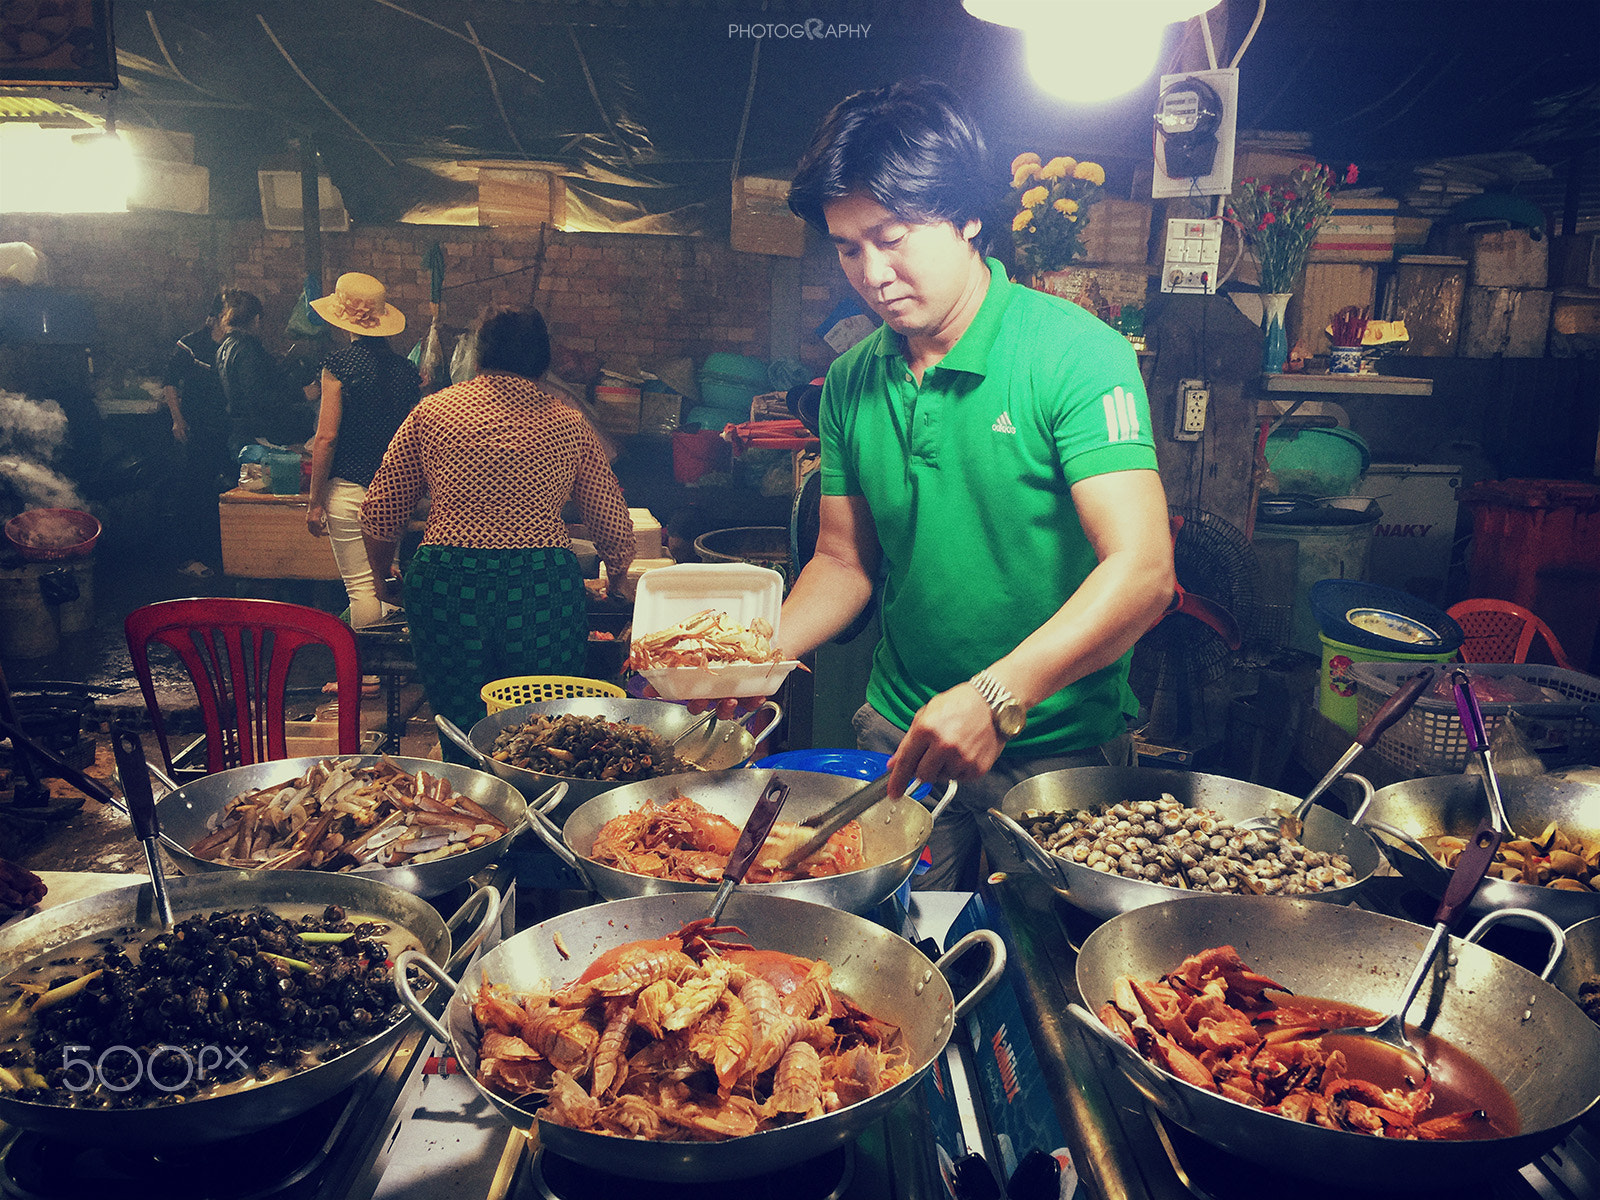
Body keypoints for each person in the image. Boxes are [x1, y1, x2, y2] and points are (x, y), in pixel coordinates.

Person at [772, 79, 1177, 891]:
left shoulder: (1073, 353)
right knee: (879, 969)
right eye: (848, 247)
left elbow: (1144, 574)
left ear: (966, 218)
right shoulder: (852, 378)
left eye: (892, 238)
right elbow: (844, 563)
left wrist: (997, 695)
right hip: (901, 731)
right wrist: (750, 662)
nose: (872, 273)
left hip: (1055, 744)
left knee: (1043, 980)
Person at [359, 306, 635, 749]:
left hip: (446, 583)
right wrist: (617, 580)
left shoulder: (432, 412)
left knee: (459, 719)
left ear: (479, 356)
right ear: (543, 362)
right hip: (541, 586)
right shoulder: (569, 424)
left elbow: (381, 510)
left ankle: (471, 805)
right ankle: (535, 809)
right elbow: (613, 524)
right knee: (543, 730)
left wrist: (381, 576)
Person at [304, 273, 421, 631]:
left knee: (361, 589)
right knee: (385, 585)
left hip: (350, 489)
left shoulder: (338, 365)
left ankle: (366, 677)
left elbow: (326, 437)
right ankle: (383, 674)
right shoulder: (407, 370)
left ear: (342, 322)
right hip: (394, 492)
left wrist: (314, 501)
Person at [159, 290, 230, 577]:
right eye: (227, 315)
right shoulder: (190, 344)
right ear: (214, 318)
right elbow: (169, 383)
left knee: (222, 491)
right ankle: (187, 558)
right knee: (192, 490)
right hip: (196, 427)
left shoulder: (233, 346)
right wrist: (177, 420)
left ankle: (222, 553)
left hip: (225, 429)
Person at [214, 288, 319, 451]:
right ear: (256, 319)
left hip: (239, 430)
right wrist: (301, 394)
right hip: (259, 433)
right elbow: (257, 396)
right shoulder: (248, 348)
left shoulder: (224, 346)